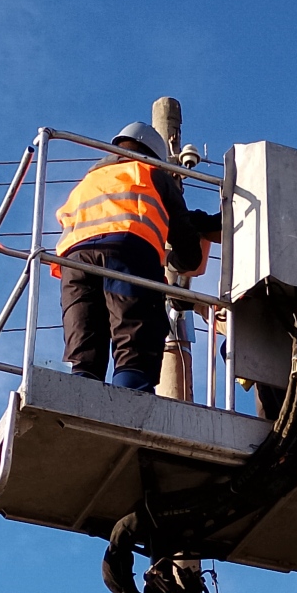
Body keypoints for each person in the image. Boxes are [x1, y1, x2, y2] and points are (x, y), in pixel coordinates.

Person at [53, 121, 222, 394]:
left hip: (73, 262)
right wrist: (171, 259)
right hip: (127, 251)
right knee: (135, 340)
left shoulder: (89, 180)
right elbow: (189, 252)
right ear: (155, 155)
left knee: (85, 342)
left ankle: (79, 396)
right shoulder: (151, 172)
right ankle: (133, 398)